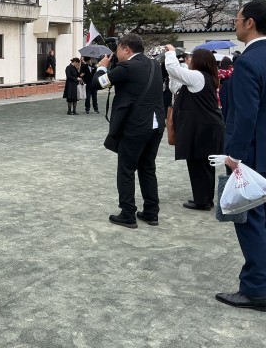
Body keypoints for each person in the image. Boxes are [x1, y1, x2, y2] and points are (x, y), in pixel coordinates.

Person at [216, 0, 266, 311]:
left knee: (250, 219)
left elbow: (246, 115)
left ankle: (256, 288)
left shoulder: (248, 62)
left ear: (249, 22)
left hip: (254, 154)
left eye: (237, 19)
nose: (234, 24)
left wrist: (234, 156)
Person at [91, 33, 165, 228]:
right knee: (148, 168)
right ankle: (151, 212)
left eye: (117, 50)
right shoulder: (154, 65)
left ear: (127, 49)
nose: (115, 54)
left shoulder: (127, 67)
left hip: (135, 126)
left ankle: (127, 213)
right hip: (156, 123)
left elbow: (97, 84)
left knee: (126, 169)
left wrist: (102, 67)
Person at [164, 46, 224, 211]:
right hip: (208, 127)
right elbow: (175, 83)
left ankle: (202, 201)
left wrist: (170, 51)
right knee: (204, 165)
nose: (188, 60)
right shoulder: (207, 77)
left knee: (198, 164)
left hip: (202, 128)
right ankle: (205, 198)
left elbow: (173, 69)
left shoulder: (198, 76)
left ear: (200, 61)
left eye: (191, 58)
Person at [218, 56, 233, 121]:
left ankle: (223, 119)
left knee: (223, 103)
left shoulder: (220, 72)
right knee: (229, 104)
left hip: (222, 88)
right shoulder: (232, 71)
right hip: (230, 88)